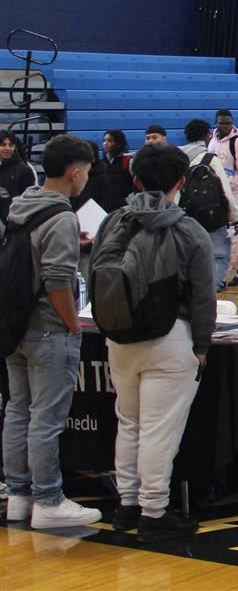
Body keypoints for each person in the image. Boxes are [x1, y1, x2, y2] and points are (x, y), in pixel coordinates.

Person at [92, 143, 215, 541]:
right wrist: (202, 345)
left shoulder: (112, 222)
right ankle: (154, 511)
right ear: (182, 181)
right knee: (160, 429)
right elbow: (202, 296)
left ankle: (126, 505)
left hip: (119, 336)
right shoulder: (188, 229)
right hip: (170, 337)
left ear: (135, 178)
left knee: (128, 422)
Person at [3, 135, 101, 528]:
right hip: (47, 328)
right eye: (88, 172)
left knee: (17, 411)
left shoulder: (20, 206)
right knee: (46, 416)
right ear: (75, 172)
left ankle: (18, 493)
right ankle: (48, 499)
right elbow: (58, 280)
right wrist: (73, 324)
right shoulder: (61, 217)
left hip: (15, 323)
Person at [179, 119, 238, 292]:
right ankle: (206, 295)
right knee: (220, 256)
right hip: (210, 218)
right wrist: (235, 218)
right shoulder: (209, 158)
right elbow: (225, 191)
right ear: (207, 135)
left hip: (185, 218)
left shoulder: (179, 157)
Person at [208, 109, 238, 202]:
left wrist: (228, 184)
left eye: (228, 123)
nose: (225, 126)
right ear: (215, 123)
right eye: (221, 123)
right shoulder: (212, 140)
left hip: (231, 194)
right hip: (213, 191)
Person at [0, 130, 36, 225]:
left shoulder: (24, 169)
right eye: (3, 145)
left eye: (10, 145)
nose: (7, 148)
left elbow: (29, 201)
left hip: (13, 225)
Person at [97, 129, 133, 212]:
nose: (105, 143)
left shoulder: (127, 161)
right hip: (105, 207)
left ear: (118, 142)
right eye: (104, 140)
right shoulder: (102, 163)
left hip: (123, 207)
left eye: (110, 140)